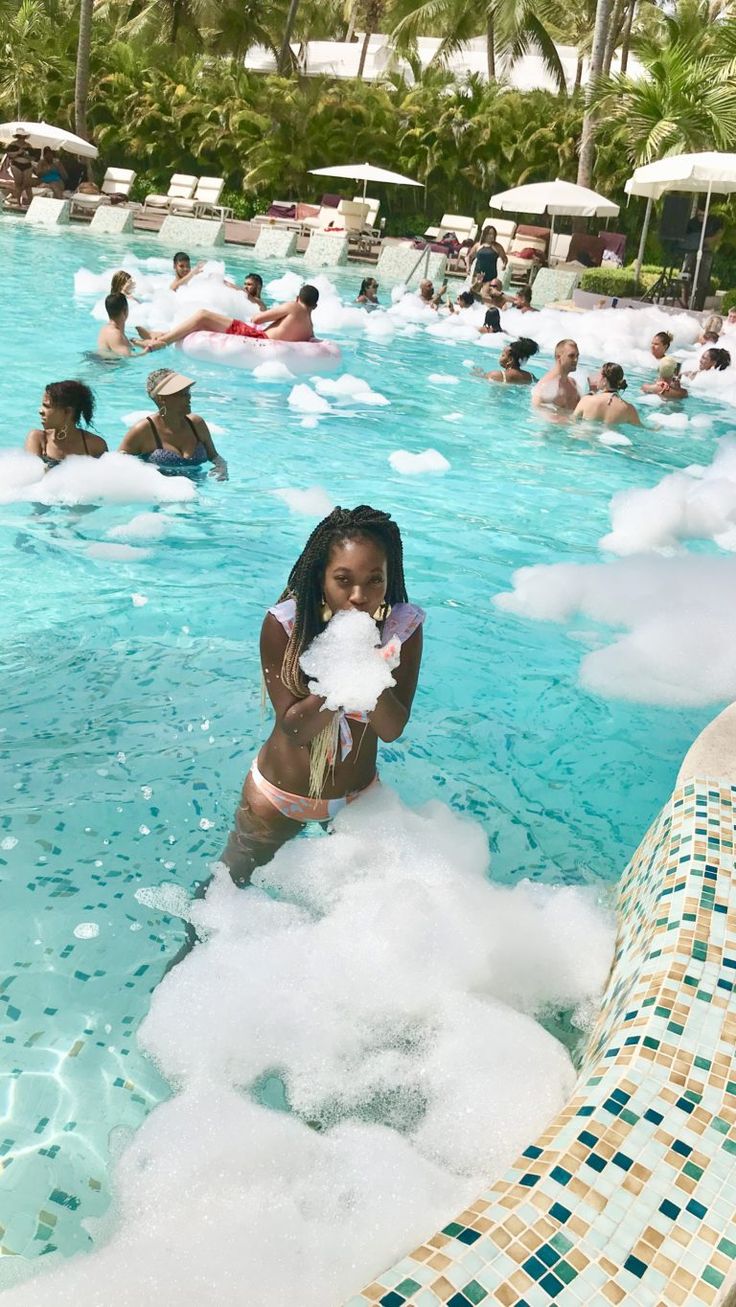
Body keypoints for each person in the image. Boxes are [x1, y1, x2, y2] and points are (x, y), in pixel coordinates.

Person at [219, 505, 424, 885]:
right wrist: (342, 673)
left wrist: (367, 667)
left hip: (358, 799)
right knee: (228, 889)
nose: (359, 595)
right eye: (343, 580)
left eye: (374, 580)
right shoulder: (286, 625)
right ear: (320, 577)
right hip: (280, 797)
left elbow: (393, 727)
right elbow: (295, 728)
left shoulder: (402, 628)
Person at [139, 284, 320, 351]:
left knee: (203, 315)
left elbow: (257, 320)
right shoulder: (309, 328)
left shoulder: (293, 307)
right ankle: (160, 334)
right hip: (265, 341)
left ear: (298, 298)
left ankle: (160, 343)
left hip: (257, 338)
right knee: (205, 322)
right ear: (315, 305)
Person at [119, 370, 228, 479]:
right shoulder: (143, 430)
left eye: (188, 392)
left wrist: (222, 467)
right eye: (183, 394)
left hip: (199, 491)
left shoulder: (196, 424)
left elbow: (214, 456)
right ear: (162, 399)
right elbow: (117, 465)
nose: (189, 398)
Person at [25, 381, 107, 466]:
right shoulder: (38, 438)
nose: (40, 411)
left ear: (67, 411)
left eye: (47, 406)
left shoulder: (95, 445)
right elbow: (30, 476)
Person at [573, 362, 642, 427]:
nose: (597, 378)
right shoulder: (629, 409)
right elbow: (641, 428)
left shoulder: (586, 400)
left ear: (605, 381)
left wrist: (591, 392)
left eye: (599, 375)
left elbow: (572, 421)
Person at [532, 339, 581, 413]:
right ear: (558, 357)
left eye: (577, 356)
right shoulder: (545, 386)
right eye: (571, 356)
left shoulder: (573, 383)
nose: (576, 359)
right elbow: (538, 416)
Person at [97, 291, 150, 357]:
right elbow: (127, 358)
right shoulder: (116, 334)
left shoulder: (104, 329)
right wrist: (147, 351)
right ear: (125, 311)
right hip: (108, 366)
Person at [474, 337, 539, 385]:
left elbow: (477, 377)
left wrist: (478, 371)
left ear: (510, 360)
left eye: (503, 355)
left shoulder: (497, 375)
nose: (500, 357)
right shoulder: (531, 377)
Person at [4, 129, 35, 207]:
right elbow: (9, 154)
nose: (22, 138)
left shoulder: (28, 145)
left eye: (23, 137)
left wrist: (26, 155)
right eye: (20, 137)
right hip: (16, 165)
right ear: (17, 137)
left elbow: (33, 158)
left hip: (27, 165)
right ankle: (19, 203)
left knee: (27, 184)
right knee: (18, 183)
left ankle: (30, 202)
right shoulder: (13, 144)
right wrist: (18, 152)